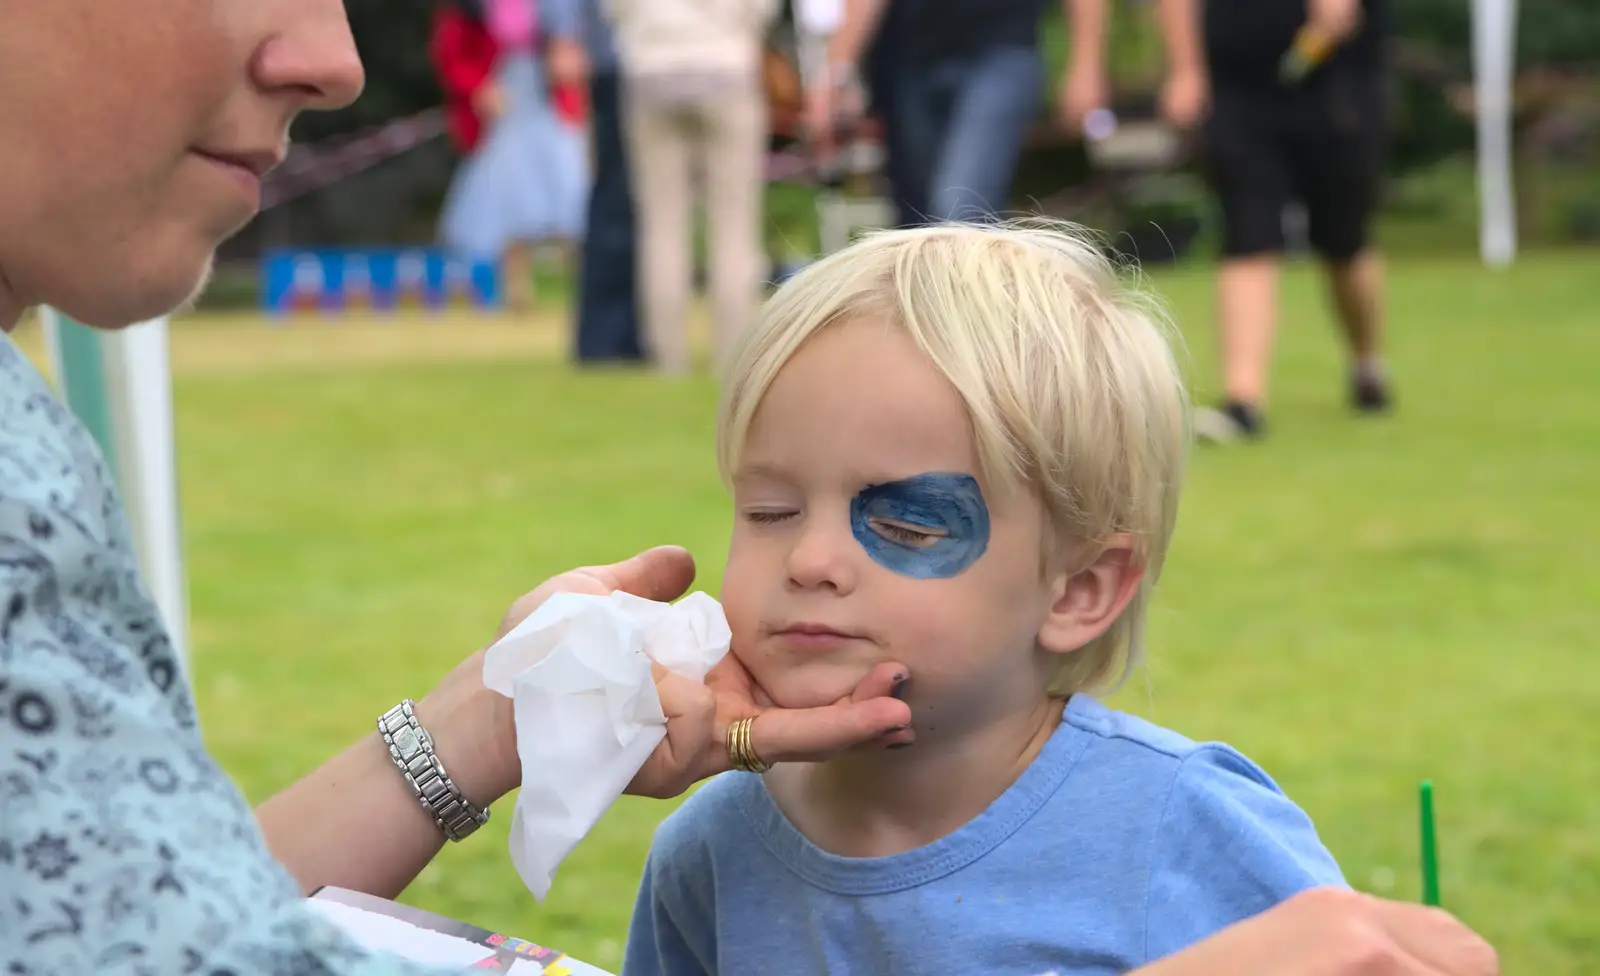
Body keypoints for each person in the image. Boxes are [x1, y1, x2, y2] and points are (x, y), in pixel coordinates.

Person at [0, 1, 1498, 974]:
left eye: (904, 515)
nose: (812, 562)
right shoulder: (716, 857)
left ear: (1083, 584)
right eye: (770, 510)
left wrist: (499, 716)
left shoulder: (1185, 832)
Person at [1066, 0, 1394, 442]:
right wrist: (1186, 68)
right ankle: (1244, 401)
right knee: (1248, 231)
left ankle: (1366, 362)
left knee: (1343, 241)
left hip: (1338, 77)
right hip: (1237, 83)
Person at [807, 0, 1100, 226]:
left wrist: (1086, 65)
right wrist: (836, 73)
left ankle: (970, 299)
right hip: (906, 63)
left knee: (962, 210)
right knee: (917, 218)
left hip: (1001, 52)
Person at [604, 0, 780, 376]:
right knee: (733, 221)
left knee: (662, 222)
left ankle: (668, 356)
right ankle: (732, 354)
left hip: (650, 70)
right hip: (725, 66)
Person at [431, 0, 592, 314]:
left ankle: (585, 290)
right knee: (508, 196)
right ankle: (516, 291)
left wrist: (572, 61)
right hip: (502, 112)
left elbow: (577, 43)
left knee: (570, 191)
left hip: (551, 103)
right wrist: (478, 87)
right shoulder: (466, 10)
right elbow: (451, 56)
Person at [559, 0, 649, 365]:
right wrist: (565, 37)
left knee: (633, 207)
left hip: (641, 64)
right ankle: (605, 337)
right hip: (619, 66)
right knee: (617, 204)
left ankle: (626, 331)